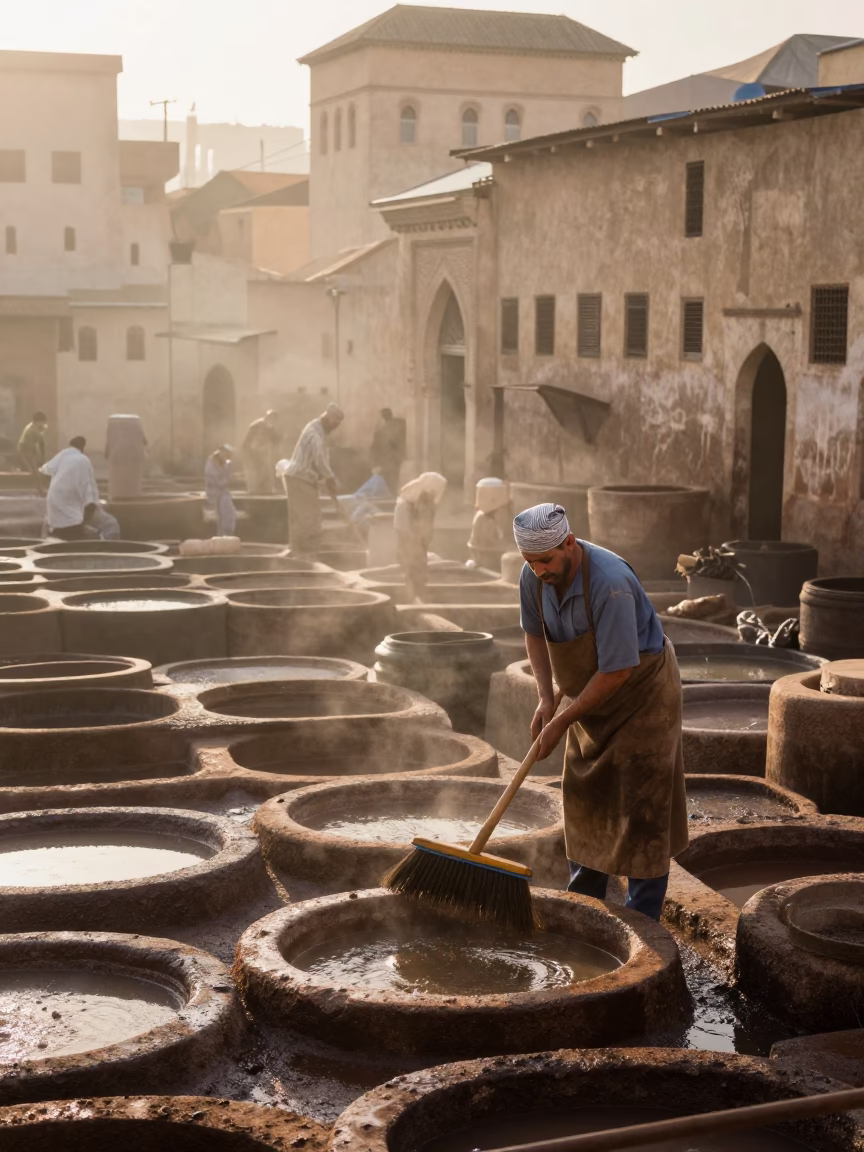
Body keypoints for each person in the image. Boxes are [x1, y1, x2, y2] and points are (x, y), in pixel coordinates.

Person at [515, 502, 688, 921]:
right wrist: (545, 697)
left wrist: (561, 721)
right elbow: (534, 635)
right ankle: (586, 908)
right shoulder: (532, 575)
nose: (538, 570)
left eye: (545, 561)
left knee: (641, 807)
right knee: (585, 796)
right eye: (530, 562)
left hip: (642, 697)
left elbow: (618, 670)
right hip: (592, 696)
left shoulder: (610, 583)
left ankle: (642, 921)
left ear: (569, 544)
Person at [277, 403, 344, 555]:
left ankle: (305, 551)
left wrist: (328, 479)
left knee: (312, 517)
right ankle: (301, 553)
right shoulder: (314, 432)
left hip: (306, 478)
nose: (336, 427)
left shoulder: (321, 431)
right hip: (299, 478)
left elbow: (322, 460)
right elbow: (319, 458)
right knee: (305, 518)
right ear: (327, 417)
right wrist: (329, 478)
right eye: (335, 423)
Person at [394, 472, 447, 603]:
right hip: (414, 542)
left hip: (405, 541)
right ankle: (417, 601)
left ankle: (412, 598)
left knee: (408, 572)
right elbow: (424, 526)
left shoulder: (408, 497)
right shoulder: (424, 499)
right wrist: (425, 542)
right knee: (417, 573)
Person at [40, 436, 100, 541]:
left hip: (53, 502)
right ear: (82, 447)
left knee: (61, 525)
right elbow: (89, 487)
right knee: (76, 523)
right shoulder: (83, 459)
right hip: (70, 507)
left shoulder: (63, 455)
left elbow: (46, 469)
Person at [467, 477, 512, 571]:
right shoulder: (481, 517)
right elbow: (475, 544)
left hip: (501, 560)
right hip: (485, 560)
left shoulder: (505, 513)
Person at [242, 410, 281, 494]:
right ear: (267, 417)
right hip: (253, 451)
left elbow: (275, 440)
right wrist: (249, 451)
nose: (273, 421)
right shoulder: (256, 425)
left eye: (274, 419)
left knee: (266, 471)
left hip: (263, 452)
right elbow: (247, 440)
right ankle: (254, 490)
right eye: (271, 418)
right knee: (254, 471)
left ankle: (266, 490)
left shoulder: (270, 427)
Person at [370, 408, 406, 498]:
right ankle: (391, 497)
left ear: (383, 417)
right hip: (392, 460)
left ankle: (389, 497)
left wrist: (376, 462)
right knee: (392, 480)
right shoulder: (397, 426)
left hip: (388, 460)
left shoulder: (382, 430)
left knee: (388, 480)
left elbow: (375, 446)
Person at [205, 445, 237, 536]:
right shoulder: (211, 463)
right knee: (222, 515)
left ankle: (227, 533)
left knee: (228, 513)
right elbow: (214, 479)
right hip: (215, 492)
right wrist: (225, 481)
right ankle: (223, 534)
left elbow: (227, 476)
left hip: (223, 491)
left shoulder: (225, 463)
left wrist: (228, 479)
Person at [17, 412, 48, 494]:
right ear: (36, 421)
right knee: (34, 470)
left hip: (31, 448)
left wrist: (42, 455)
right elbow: (30, 446)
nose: (43, 423)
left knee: (36, 469)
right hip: (25, 448)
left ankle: (41, 489)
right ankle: (41, 491)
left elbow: (41, 442)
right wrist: (34, 458)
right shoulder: (31, 430)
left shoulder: (40, 428)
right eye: (41, 421)